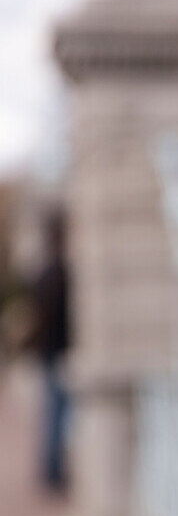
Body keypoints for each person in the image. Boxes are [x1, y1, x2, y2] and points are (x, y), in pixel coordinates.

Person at [31, 208, 71, 496]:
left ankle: (50, 469)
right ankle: (53, 471)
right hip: (58, 352)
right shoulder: (59, 273)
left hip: (47, 351)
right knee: (58, 413)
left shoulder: (43, 273)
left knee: (51, 412)